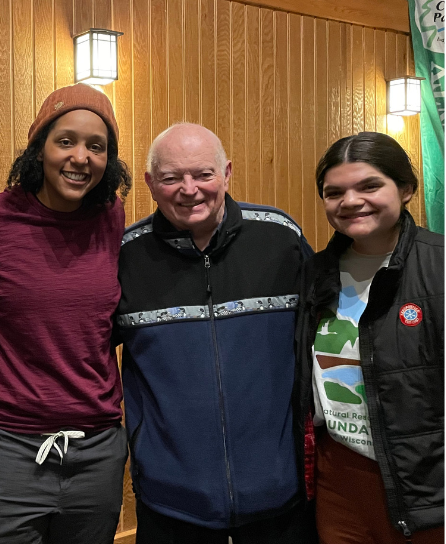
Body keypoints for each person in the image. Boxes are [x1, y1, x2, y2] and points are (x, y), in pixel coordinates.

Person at [116, 123, 314, 543]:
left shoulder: (280, 237)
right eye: (171, 178)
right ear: (151, 184)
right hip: (170, 499)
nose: (189, 189)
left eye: (203, 174)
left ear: (227, 173)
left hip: (280, 495)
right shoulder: (126, 255)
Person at [0, 83, 132, 544]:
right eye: (66, 141)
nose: (81, 157)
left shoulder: (111, 218)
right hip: (5, 449)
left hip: (97, 449)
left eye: (97, 147)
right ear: (39, 149)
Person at [294, 132, 443, 544]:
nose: (350, 201)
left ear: (407, 188)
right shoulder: (315, 271)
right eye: (334, 192)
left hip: (427, 487)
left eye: (369, 185)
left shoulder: (439, 264)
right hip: (339, 481)